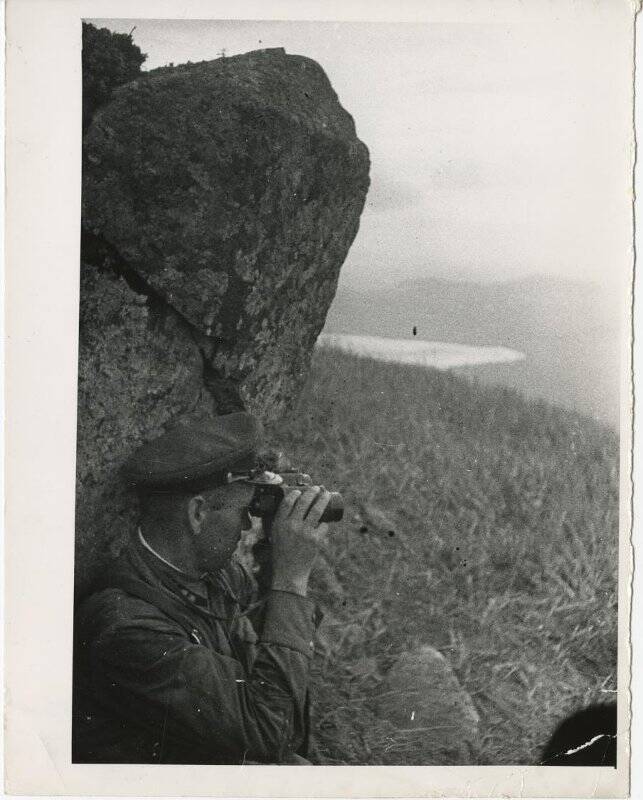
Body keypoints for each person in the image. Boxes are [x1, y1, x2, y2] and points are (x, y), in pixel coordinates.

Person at [72, 411, 333, 765]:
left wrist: (276, 547)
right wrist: (290, 577)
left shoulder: (214, 578)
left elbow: (275, 685)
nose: (245, 525)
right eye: (242, 510)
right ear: (197, 514)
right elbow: (270, 730)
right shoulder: (128, 630)